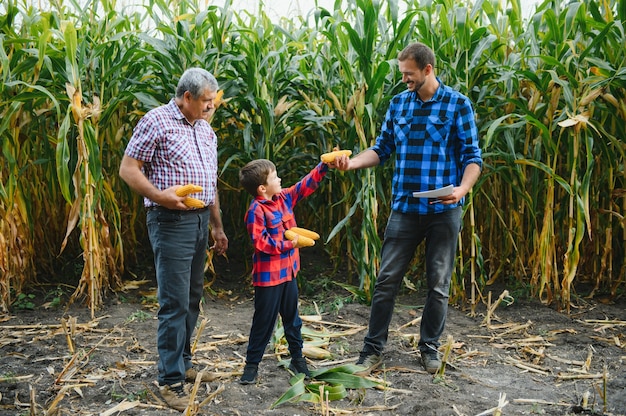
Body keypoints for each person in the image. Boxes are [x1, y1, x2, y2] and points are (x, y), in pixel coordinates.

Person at [334, 42, 482, 375]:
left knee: (439, 284)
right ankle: (372, 350)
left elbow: (473, 157)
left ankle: (429, 349)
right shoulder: (398, 105)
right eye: (402, 74)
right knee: (386, 280)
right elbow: (381, 149)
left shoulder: (458, 105)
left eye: (409, 74)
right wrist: (353, 163)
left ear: (428, 69)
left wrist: (462, 188)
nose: (404, 80)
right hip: (404, 208)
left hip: (443, 210)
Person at [119, 68, 229, 411]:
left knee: (193, 297)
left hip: (198, 222)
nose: (212, 107)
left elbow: (209, 182)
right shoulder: (157, 121)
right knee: (174, 303)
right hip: (170, 221)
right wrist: (161, 196)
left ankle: (183, 364)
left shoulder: (205, 129)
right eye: (207, 102)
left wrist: (217, 226)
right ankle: (169, 382)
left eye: (213, 101)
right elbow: (128, 168)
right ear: (187, 98)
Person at [237, 158, 332, 384]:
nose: (279, 179)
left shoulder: (284, 198)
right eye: (274, 177)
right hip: (269, 277)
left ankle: (297, 359)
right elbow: (262, 243)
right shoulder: (256, 211)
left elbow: (305, 185)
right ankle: (251, 365)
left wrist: (324, 165)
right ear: (262, 188)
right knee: (264, 321)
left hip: (289, 272)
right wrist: (292, 244)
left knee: (293, 318)